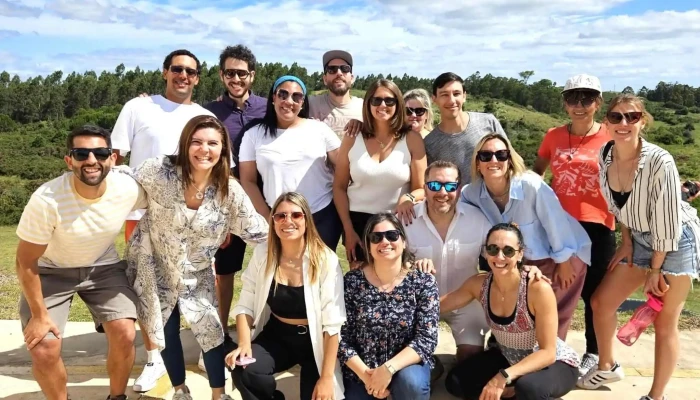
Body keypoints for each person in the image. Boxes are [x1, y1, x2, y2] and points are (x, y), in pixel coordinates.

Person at [125, 115, 269, 400]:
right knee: (166, 331)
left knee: (210, 330)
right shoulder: (159, 171)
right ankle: (180, 390)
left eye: (213, 143)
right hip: (155, 265)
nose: (204, 149)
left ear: (223, 149)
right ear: (185, 144)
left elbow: (256, 230)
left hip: (197, 272)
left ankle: (218, 394)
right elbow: (121, 185)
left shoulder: (229, 190)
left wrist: (300, 246)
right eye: (197, 142)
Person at [578, 94, 700, 400]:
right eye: (616, 117)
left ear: (642, 122)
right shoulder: (606, 154)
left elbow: (667, 222)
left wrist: (654, 270)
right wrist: (627, 241)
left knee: (665, 322)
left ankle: (655, 396)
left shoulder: (660, 161)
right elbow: (618, 205)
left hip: (675, 240)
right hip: (641, 238)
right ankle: (607, 365)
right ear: (606, 123)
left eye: (631, 116)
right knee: (601, 303)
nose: (623, 123)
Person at [16, 125, 147, 400]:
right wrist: (39, 316)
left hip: (103, 267)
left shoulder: (127, 188)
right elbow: (25, 261)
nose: (91, 160)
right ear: (69, 160)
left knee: (124, 332)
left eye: (101, 153)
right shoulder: (47, 200)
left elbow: (171, 198)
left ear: (112, 158)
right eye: (81, 154)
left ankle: (117, 397)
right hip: (50, 271)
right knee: (44, 347)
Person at [111, 49, 216, 392]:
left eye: (190, 71)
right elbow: (115, 157)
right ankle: (155, 357)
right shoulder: (138, 107)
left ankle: (209, 350)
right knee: (148, 289)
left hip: (193, 218)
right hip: (143, 215)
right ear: (165, 72)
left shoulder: (203, 116)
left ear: (197, 78)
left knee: (198, 287)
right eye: (177, 69)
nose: (183, 75)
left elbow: (214, 165)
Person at [461, 133, 592, 340]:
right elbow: (457, 214)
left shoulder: (530, 185)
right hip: (519, 259)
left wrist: (564, 262)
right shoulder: (471, 193)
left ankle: (552, 357)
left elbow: (555, 222)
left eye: (501, 155)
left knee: (552, 318)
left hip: (562, 253)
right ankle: (512, 351)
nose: (494, 160)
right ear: (477, 163)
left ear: (509, 160)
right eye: (485, 156)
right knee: (521, 315)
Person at [227, 192, 346, 400]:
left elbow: (332, 324)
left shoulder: (325, 259)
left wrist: (327, 377)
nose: (288, 221)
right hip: (278, 334)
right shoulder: (263, 253)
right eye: (280, 216)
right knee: (245, 370)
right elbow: (245, 304)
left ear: (307, 220)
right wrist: (244, 344)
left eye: (296, 215)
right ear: (273, 221)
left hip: (315, 340)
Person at [533, 73, 615, 376]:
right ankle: (548, 348)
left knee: (596, 296)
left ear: (598, 103)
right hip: (559, 226)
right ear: (565, 103)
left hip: (599, 225)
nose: (579, 105)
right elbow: (537, 173)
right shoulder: (553, 135)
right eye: (572, 98)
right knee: (553, 290)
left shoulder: (611, 135)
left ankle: (595, 353)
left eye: (587, 98)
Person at [442, 223, 580, 400]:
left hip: (553, 363)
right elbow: (439, 305)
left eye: (508, 251)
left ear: (520, 254)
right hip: (509, 357)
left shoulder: (537, 289)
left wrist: (503, 376)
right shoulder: (479, 284)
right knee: (457, 382)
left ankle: (519, 389)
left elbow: (548, 353)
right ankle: (513, 391)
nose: (499, 257)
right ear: (485, 252)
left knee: (528, 388)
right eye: (493, 249)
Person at [204, 44, 267, 353]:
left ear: (252, 75)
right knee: (224, 272)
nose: (236, 79)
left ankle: (265, 329)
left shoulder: (268, 107)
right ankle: (218, 333)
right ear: (221, 75)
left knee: (270, 266)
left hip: (265, 202)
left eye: (242, 73)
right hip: (225, 204)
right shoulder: (209, 112)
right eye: (230, 73)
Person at [339, 212, 439, 400]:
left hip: (405, 365)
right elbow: (342, 337)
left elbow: (427, 338)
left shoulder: (422, 281)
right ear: (368, 246)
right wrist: (367, 377)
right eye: (376, 238)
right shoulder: (352, 282)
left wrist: (387, 369)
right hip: (363, 368)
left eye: (392, 235)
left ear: (404, 242)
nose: (385, 242)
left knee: (412, 384)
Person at [238, 75, 343, 249]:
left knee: (321, 266)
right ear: (273, 97)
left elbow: (344, 166)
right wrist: (267, 217)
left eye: (297, 96)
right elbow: (248, 181)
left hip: (322, 216)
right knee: (284, 267)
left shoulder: (319, 129)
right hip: (280, 218)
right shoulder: (253, 134)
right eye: (283, 94)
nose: (289, 101)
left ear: (302, 103)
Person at [404, 160, 490, 363]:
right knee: (411, 361)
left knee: (471, 360)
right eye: (435, 185)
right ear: (424, 187)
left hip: (465, 302)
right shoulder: (405, 220)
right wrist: (411, 268)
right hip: (418, 305)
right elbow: (389, 265)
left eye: (450, 186)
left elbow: (498, 257)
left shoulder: (478, 219)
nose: (443, 192)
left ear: (459, 189)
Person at [334, 79, 427, 266]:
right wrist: (348, 230)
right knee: (360, 280)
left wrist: (408, 197)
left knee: (395, 279)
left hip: (397, 222)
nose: (382, 105)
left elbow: (422, 188)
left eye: (389, 100)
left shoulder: (412, 139)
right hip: (357, 223)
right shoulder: (352, 137)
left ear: (398, 104)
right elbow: (339, 187)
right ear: (368, 104)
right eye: (376, 100)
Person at [424, 72, 507, 185]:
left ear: (464, 96)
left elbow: (512, 159)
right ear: (434, 99)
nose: (451, 100)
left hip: (499, 194)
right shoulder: (430, 143)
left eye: (456, 94)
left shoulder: (488, 122)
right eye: (444, 95)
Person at [308, 50, 364, 137]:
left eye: (345, 68)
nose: (339, 73)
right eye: (332, 69)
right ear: (325, 79)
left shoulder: (365, 107)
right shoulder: (310, 104)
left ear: (352, 78)